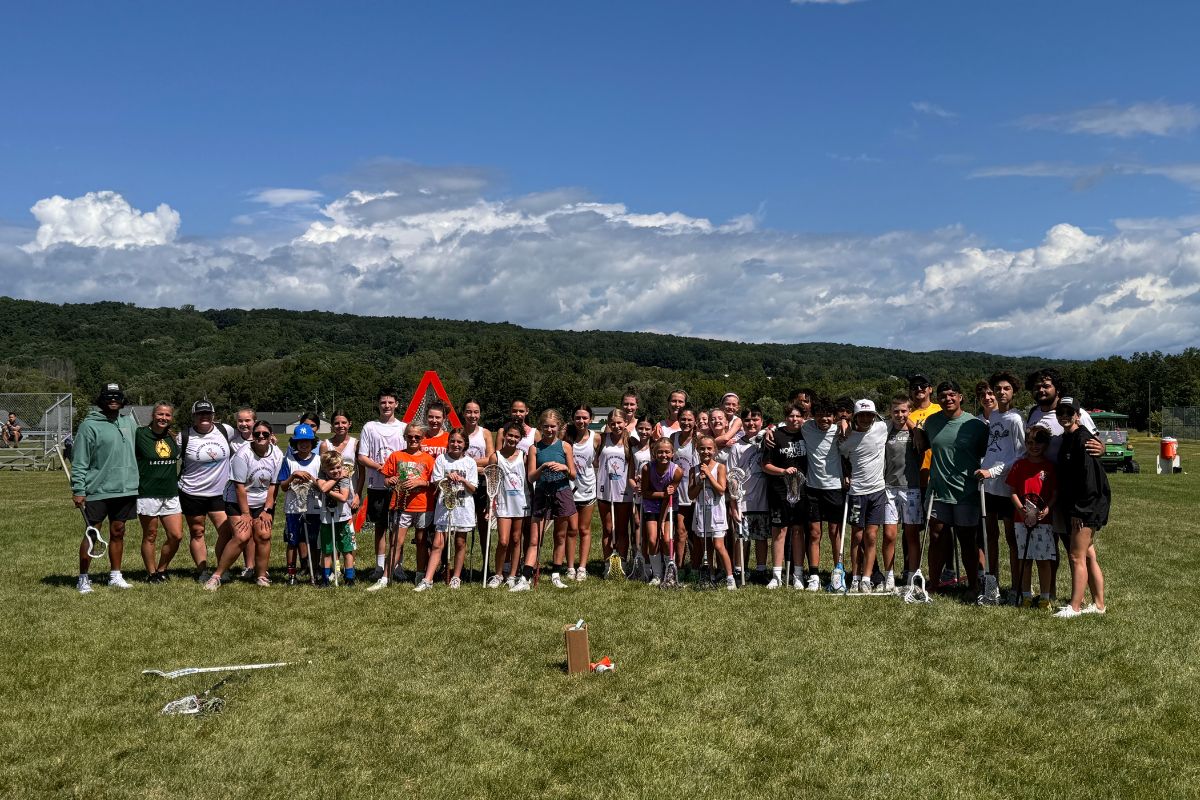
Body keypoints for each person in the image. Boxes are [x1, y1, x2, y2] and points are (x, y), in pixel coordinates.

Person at [1025, 368, 1104, 596]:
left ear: (1057, 389)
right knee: (1050, 547)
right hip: (1044, 489)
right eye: (1037, 386)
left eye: (1046, 385)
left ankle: (1088, 600)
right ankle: (1048, 594)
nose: (1041, 390)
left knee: (1081, 549)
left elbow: (1094, 441)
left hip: (1071, 490)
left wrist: (1104, 448)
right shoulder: (1033, 413)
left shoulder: (1074, 412)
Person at [919, 380, 989, 597]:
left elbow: (989, 455)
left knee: (967, 539)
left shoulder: (975, 425)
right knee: (937, 536)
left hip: (966, 492)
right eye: (943, 396)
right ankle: (934, 583)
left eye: (952, 395)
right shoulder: (931, 422)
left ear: (960, 397)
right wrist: (915, 433)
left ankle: (974, 584)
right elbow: (921, 440)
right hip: (938, 490)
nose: (947, 399)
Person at [70, 383, 139, 593]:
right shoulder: (89, 425)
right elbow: (80, 460)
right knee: (92, 534)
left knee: (119, 532)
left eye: (117, 397)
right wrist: (78, 489)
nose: (113, 400)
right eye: (109, 397)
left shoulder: (129, 422)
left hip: (126, 488)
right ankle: (83, 578)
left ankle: (115, 575)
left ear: (122, 400)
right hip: (98, 489)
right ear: (101, 400)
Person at [204, 420, 282, 590]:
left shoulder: (277, 454)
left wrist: (267, 509)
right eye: (257, 434)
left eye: (265, 434)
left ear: (271, 436)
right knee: (241, 537)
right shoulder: (242, 454)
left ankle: (261, 575)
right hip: (237, 500)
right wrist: (246, 513)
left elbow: (273, 485)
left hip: (262, 502)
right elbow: (239, 487)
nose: (261, 436)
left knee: (263, 535)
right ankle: (216, 576)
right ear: (252, 436)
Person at [1052, 398, 1109, 618]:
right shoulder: (1069, 438)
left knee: (1076, 556)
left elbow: (1091, 481)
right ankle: (1099, 604)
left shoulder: (1084, 440)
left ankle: (1074, 607)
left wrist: (1079, 511)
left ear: (1077, 414)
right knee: (1088, 555)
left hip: (1085, 508)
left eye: (1069, 412)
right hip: (1075, 506)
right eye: (1061, 412)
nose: (1064, 416)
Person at [975, 373, 1025, 593]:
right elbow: (993, 449)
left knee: (1011, 538)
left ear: (1013, 392)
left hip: (1006, 486)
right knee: (990, 536)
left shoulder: (1015, 419)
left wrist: (993, 471)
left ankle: (1016, 586)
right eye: (998, 388)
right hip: (988, 485)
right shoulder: (994, 416)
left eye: (1006, 389)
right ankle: (992, 585)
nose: (1001, 392)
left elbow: (1020, 455)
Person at [516, 410, 577, 591]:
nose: (549, 430)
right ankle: (525, 577)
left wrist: (564, 467)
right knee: (535, 538)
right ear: (541, 427)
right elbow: (531, 477)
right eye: (546, 426)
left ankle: (556, 574)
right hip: (542, 492)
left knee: (560, 535)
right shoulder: (534, 448)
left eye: (553, 426)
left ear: (558, 427)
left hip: (562, 492)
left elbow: (573, 474)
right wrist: (542, 467)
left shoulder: (565, 446)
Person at [177, 399, 236, 581]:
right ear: (194, 416)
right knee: (197, 532)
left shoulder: (225, 430)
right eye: (200, 414)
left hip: (220, 492)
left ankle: (221, 568)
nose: (204, 417)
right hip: (192, 492)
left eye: (207, 414)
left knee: (226, 531)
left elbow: (244, 438)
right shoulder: (184, 436)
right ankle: (202, 570)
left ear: (213, 416)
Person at [370, 425, 434, 590]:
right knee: (396, 542)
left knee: (421, 541)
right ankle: (386, 576)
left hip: (423, 505)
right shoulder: (396, 455)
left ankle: (420, 575)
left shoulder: (428, 459)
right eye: (410, 436)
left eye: (417, 437)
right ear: (405, 437)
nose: (413, 440)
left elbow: (433, 483)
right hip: (400, 504)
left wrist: (420, 482)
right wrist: (389, 481)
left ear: (422, 439)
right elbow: (386, 478)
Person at [356, 387, 407, 581]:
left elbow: (407, 456)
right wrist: (382, 469)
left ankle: (397, 566)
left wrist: (396, 476)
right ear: (378, 404)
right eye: (383, 402)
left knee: (398, 527)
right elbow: (362, 456)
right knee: (380, 527)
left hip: (398, 486)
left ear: (396, 404)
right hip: (376, 485)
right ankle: (379, 566)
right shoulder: (370, 427)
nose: (387, 405)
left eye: (390, 402)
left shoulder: (403, 427)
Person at [839, 399, 889, 593]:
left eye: (870, 415)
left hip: (877, 491)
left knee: (871, 535)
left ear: (875, 416)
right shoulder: (847, 439)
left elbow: (902, 418)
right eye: (863, 415)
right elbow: (842, 458)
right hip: (857, 492)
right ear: (856, 416)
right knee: (857, 537)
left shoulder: (882, 428)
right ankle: (855, 576)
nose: (867, 418)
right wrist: (842, 422)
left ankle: (867, 578)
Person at [419, 428, 478, 591]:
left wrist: (463, 480)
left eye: (459, 441)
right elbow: (435, 483)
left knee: (460, 542)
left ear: (465, 444)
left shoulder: (470, 462)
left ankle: (456, 577)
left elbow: (473, 488)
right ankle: (428, 579)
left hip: (463, 508)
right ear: (449, 442)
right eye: (452, 441)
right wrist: (447, 478)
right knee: (438, 543)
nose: (456, 444)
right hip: (444, 508)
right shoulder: (441, 459)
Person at [1005, 426, 1057, 609]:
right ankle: (1026, 595)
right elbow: (1012, 491)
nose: (1034, 446)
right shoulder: (1019, 465)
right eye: (1030, 443)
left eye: (1038, 442)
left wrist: (1048, 508)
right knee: (1025, 560)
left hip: (1044, 523)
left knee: (1043, 560)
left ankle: (1044, 597)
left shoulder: (1049, 467)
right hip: (1022, 521)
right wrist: (1020, 509)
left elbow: (1055, 493)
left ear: (1046, 444)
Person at [134, 402, 183, 583]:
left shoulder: (173, 437)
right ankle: (151, 573)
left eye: (167, 415)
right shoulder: (140, 434)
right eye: (160, 414)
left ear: (171, 418)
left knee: (176, 535)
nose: (163, 418)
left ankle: (162, 569)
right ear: (153, 415)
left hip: (171, 493)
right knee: (150, 535)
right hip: (148, 492)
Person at [761, 403, 808, 589]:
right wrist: (783, 471)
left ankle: (797, 574)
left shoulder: (808, 433)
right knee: (779, 532)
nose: (794, 419)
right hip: (779, 491)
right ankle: (777, 575)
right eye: (791, 416)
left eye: (798, 416)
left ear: (803, 417)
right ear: (785, 417)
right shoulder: (775, 435)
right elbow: (765, 465)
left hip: (802, 492)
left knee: (798, 532)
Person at [801, 399, 845, 591]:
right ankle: (814, 575)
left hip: (834, 487)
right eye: (820, 415)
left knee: (835, 533)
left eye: (828, 415)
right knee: (814, 533)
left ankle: (838, 572)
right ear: (814, 416)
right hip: (812, 488)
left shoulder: (839, 430)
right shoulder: (807, 427)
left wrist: (845, 422)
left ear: (834, 417)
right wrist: (768, 430)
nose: (824, 419)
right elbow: (784, 425)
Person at [883, 395, 927, 586]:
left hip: (911, 489)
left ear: (909, 412)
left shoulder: (917, 432)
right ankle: (889, 576)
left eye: (903, 411)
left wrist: (916, 429)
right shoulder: (884, 430)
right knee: (889, 535)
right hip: (888, 488)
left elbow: (925, 446)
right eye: (896, 411)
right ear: (890, 412)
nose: (900, 415)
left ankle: (911, 576)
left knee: (911, 535)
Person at [689, 435, 735, 590]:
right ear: (697, 450)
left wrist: (709, 475)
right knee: (706, 545)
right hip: (702, 512)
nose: (705, 451)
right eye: (702, 448)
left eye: (709, 448)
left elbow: (722, 490)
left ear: (714, 450)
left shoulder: (720, 467)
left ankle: (730, 577)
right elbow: (691, 495)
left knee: (718, 545)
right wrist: (700, 481)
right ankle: (710, 574)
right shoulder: (693, 470)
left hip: (716, 512)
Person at [277, 423, 322, 585]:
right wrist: (293, 476)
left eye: (307, 441)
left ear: (313, 442)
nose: (304, 444)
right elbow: (282, 486)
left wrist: (312, 479)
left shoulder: (318, 460)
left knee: (314, 541)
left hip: (314, 507)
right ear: (295, 442)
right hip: (293, 508)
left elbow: (323, 485)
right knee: (292, 542)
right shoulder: (288, 460)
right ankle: (291, 574)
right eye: (300, 441)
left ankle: (314, 571)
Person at [729, 406, 769, 583]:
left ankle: (761, 570)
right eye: (747, 420)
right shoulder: (736, 447)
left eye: (755, 419)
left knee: (761, 537)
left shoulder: (767, 441)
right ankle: (739, 570)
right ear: (742, 423)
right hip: (742, 501)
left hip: (762, 500)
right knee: (741, 538)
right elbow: (732, 478)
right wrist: (733, 504)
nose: (751, 423)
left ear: (761, 421)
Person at [490, 422, 530, 589]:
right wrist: (490, 504)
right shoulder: (495, 457)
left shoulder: (524, 456)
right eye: (510, 435)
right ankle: (498, 574)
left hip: (521, 503)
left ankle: (513, 575)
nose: (512, 439)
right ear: (504, 436)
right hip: (503, 503)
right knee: (504, 541)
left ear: (520, 439)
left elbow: (529, 479)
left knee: (516, 539)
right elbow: (492, 483)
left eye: (516, 437)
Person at [595, 410, 633, 578]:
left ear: (625, 422)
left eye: (619, 422)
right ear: (608, 424)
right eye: (613, 423)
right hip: (605, 489)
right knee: (608, 529)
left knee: (622, 529)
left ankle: (622, 563)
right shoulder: (602, 439)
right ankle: (607, 564)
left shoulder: (631, 441)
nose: (616, 426)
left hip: (624, 490)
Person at [640, 437, 683, 585]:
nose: (663, 455)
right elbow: (645, 493)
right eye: (660, 452)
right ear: (654, 453)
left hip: (669, 506)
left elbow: (668, 498)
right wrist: (663, 494)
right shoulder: (647, 468)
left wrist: (662, 522)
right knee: (652, 539)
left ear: (672, 453)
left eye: (667, 452)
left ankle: (669, 571)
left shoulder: (676, 472)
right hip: (651, 505)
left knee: (666, 539)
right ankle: (656, 574)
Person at [461, 399, 494, 583]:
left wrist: (467, 463)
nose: (472, 415)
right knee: (462, 526)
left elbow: (490, 458)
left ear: (480, 414)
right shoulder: (458, 432)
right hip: (462, 483)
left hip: (481, 483)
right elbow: (453, 455)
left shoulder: (486, 433)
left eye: (476, 412)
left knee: (483, 526)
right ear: (463, 413)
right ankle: (461, 567)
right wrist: (476, 465)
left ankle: (486, 567)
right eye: (468, 412)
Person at [565, 404, 599, 581]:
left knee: (584, 529)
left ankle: (582, 567)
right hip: (568, 489)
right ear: (573, 419)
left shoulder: (596, 438)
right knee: (571, 530)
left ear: (591, 420)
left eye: (585, 418)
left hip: (587, 488)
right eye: (578, 417)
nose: (581, 421)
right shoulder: (566, 438)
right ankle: (570, 567)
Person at [315, 449, 355, 586]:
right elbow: (323, 488)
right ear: (325, 469)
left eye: (338, 467)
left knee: (346, 549)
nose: (336, 471)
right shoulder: (322, 474)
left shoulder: (345, 477)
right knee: (327, 550)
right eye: (332, 469)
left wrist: (328, 487)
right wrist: (335, 480)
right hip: (326, 517)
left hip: (344, 517)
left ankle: (349, 577)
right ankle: (325, 578)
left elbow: (343, 497)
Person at [669, 407, 700, 573]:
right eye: (683, 419)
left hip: (695, 494)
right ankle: (679, 568)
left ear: (695, 421)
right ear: (678, 420)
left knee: (695, 534)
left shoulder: (699, 439)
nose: (686, 423)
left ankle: (695, 568)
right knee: (680, 532)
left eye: (689, 419)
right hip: (678, 494)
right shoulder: (673, 438)